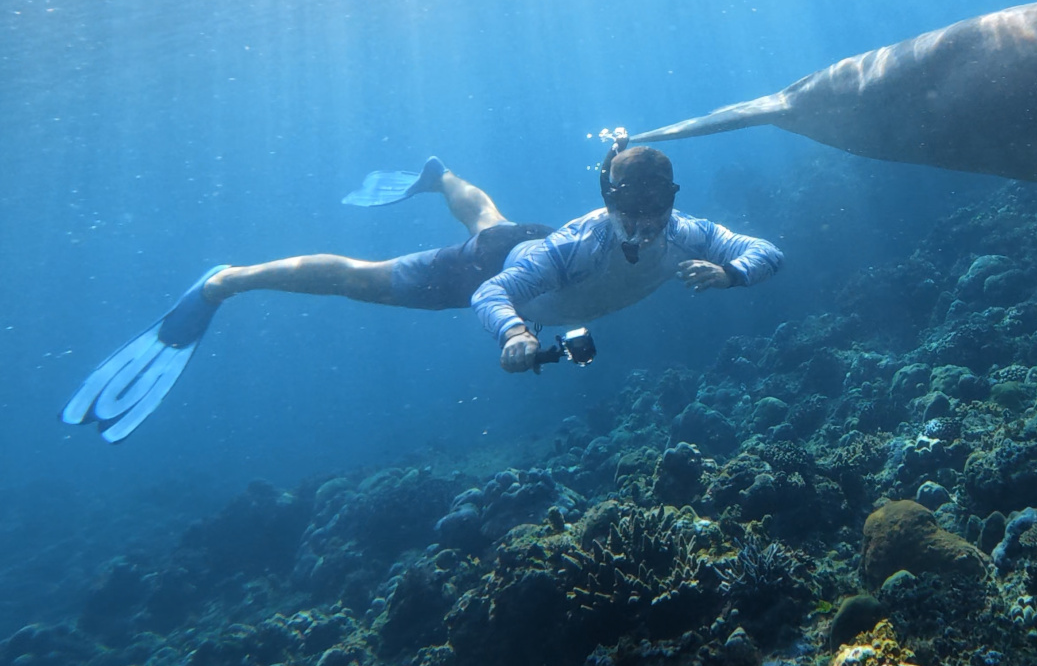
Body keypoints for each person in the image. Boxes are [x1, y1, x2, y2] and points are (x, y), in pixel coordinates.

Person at [61, 133, 783, 442]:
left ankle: (441, 176)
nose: (646, 226)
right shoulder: (575, 247)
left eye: (658, 208)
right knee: (361, 280)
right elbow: (491, 295)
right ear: (609, 201)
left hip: (519, 243)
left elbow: (766, 250)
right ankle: (225, 282)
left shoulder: (687, 232)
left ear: (673, 201)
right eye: (632, 208)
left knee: (490, 219)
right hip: (493, 265)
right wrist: (514, 333)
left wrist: (732, 272)